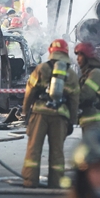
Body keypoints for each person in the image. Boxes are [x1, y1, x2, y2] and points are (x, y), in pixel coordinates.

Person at [21, 39, 80, 188]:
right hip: (60, 116)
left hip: (40, 113)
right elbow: (74, 100)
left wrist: (25, 111)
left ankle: (30, 181)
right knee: (57, 151)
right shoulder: (71, 74)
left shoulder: (41, 68)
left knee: (34, 148)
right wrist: (72, 121)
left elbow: (30, 91)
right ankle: (56, 182)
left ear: (51, 51)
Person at [75, 42, 100, 135]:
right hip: (88, 120)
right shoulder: (87, 73)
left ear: (87, 57)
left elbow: (85, 94)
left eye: (80, 55)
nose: (77, 59)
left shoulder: (96, 73)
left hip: (94, 121)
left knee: (92, 149)